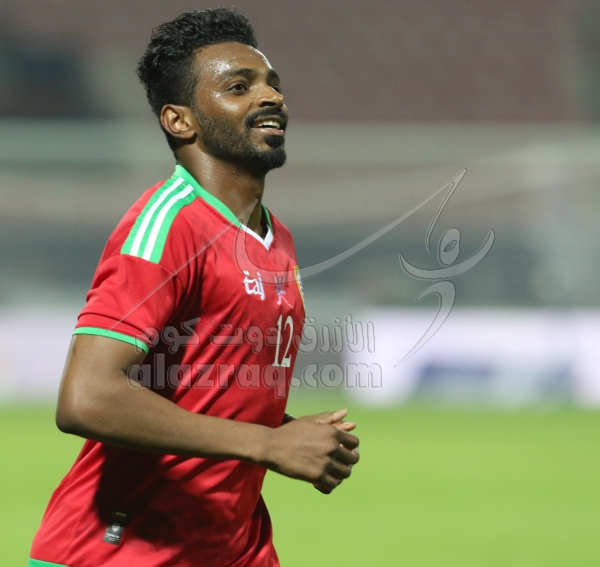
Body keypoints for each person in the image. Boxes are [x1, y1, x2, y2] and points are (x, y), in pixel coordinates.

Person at [28, 7, 359, 567]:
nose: (271, 97)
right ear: (180, 121)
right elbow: (87, 397)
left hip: (232, 547)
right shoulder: (168, 225)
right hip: (121, 550)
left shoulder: (275, 238)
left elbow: (200, 389)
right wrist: (268, 444)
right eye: (239, 87)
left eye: (272, 83)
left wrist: (287, 432)